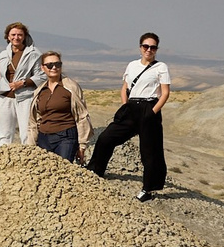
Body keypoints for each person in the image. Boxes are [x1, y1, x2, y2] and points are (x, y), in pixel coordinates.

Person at [88, 31, 171, 199]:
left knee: (150, 151)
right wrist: (125, 105)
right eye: (146, 46)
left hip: (149, 107)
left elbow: (165, 93)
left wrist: (152, 112)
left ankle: (148, 189)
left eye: (153, 47)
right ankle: (94, 171)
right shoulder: (132, 65)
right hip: (131, 108)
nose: (149, 50)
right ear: (140, 47)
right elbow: (125, 86)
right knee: (106, 138)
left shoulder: (161, 67)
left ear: (156, 49)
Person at [29, 51, 93, 162]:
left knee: (63, 170)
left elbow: (82, 116)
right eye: (49, 65)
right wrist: (31, 145)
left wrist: (82, 146)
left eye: (57, 64)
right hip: (43, 138)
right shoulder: (40, 91)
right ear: (42, 68)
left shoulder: (71, 87)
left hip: (66, 136)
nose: (54, 67)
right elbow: (34, 120)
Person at [0, 21, 41, 146]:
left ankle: (28, 158)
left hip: (26, 97)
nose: (16, 37)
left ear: (24, 36)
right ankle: (2, 159)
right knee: (3, 132)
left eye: (20, 35)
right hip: (4, 96)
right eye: (13, 34)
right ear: (8, 37)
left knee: (27, 132)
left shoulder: (34, 54)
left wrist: (23, 82)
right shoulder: (2, 56)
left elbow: (41, 75)